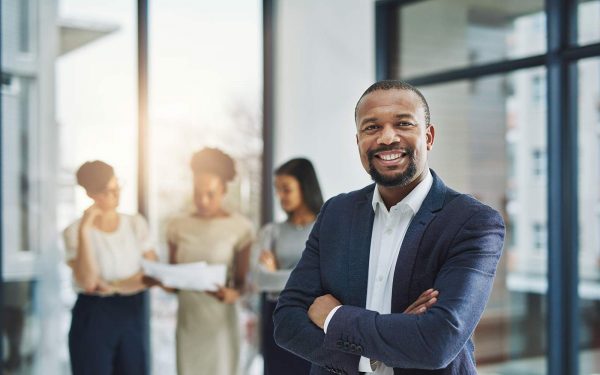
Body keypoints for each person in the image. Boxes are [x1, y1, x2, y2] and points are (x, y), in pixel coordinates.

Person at [273, 80, 505, 375]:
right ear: (358, 141)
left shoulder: (472, 222)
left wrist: (334, 317)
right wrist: (374, 354)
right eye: (372, 128)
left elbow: (437, 341)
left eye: (403, 124)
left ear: (429, 136)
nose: (387, 138)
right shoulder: (336, 213)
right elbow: (287, 322)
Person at [63, 160, 159, 375]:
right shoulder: (74, 231)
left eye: (117, 188)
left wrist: (115, 286)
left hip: (131, 312)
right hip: (93, 315)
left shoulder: (135, 224)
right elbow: (88, 282)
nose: (115, 196)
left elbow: (153, 273)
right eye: (107, 191)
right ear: (90, 194)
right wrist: (85, 231)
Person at [167, 148, 254, 375]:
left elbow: (244, 283)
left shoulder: (241, 227)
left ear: (224, 190)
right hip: (188, 323)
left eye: (210, 194)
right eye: (197, 193)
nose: (203, 201)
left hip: (221, 325)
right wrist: (158, 279)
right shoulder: (177, 226)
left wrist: (234, 293)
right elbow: (172, 279)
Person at [251, 158, 323, 374]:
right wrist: (305, 278)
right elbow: (258, 279)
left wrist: (277, 274)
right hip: (276, 317)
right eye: (277, 190)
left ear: (305, 187)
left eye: (286, 189)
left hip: (314, 320)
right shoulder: (271, 232)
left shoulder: (327, 226)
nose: (280, 196)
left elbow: (326, 277)